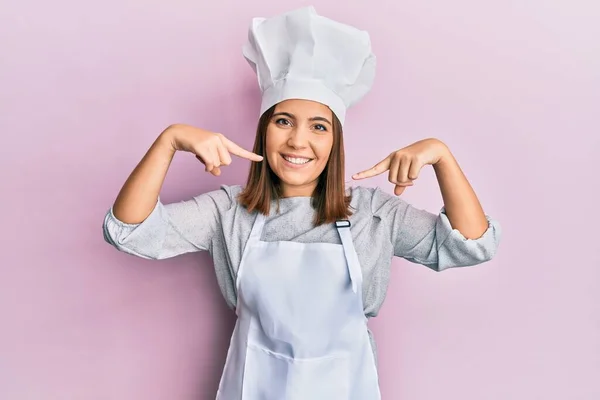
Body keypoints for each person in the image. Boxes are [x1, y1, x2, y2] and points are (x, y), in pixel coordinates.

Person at [103, 6, 501, 399]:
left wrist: (442, 157)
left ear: (335, 141)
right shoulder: (229, 212)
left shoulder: (374, 215)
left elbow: (471, 245)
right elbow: (131, 232)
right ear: (264, 130)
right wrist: (169, 141)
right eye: (283, 121)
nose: (297, 141)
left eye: (319, 127)